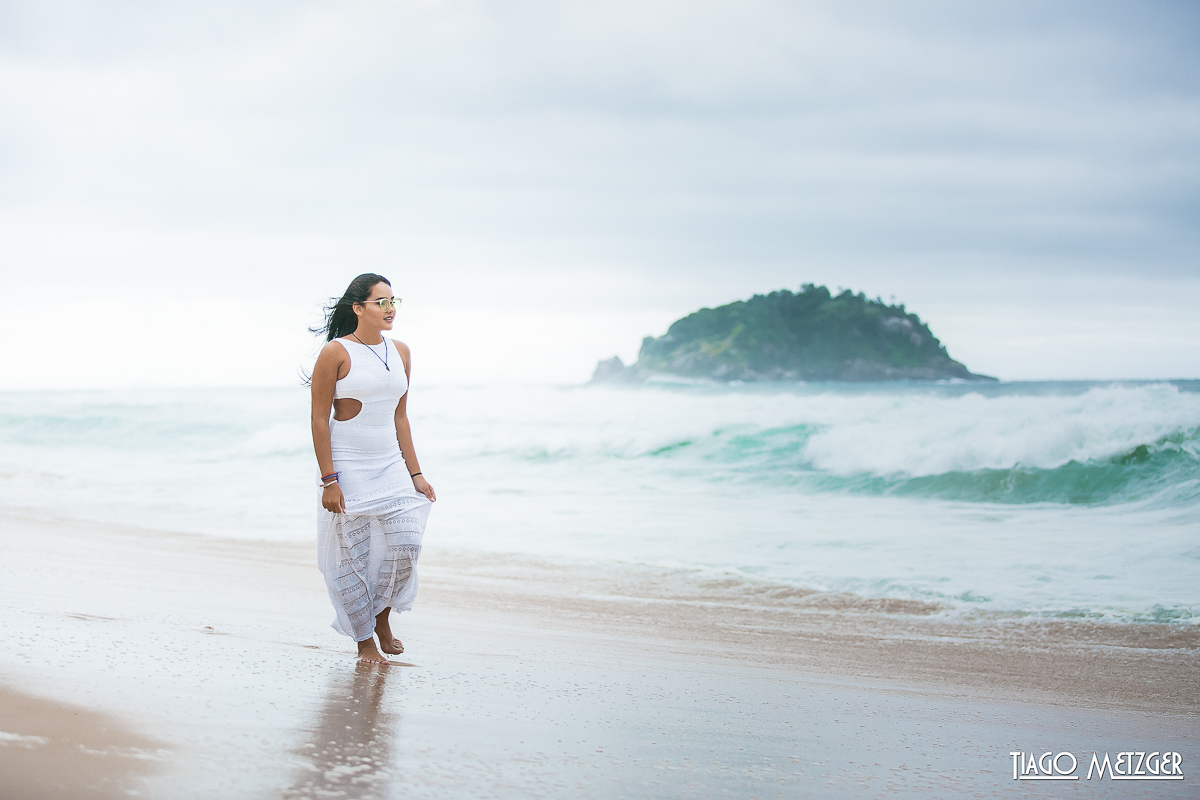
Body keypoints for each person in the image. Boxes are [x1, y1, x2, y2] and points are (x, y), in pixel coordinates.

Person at [309, 273, 436, 663]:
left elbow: (401, 416)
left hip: (390, 464)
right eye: (381, 301)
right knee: (353, 556)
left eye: (393, 300)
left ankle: (382, 617)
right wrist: (330, 480)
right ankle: (365, 643)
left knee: (407, 543)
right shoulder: (336, 352)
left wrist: (415, 473)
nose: (390, 308)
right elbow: (318, 419)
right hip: (348, 466)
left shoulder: (401, 351)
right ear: (358, 308)